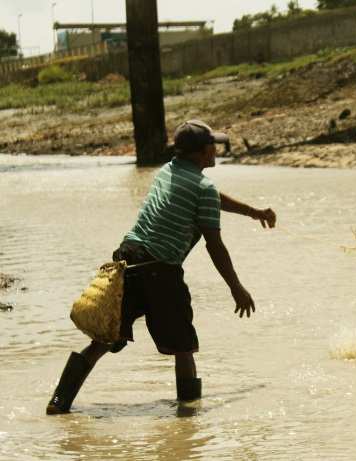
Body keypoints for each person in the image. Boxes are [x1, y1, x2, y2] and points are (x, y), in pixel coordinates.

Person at [46, 120, 276, 415]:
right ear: (204, 151)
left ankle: (58, 403)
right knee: (184, 346)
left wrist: (252, 212)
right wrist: (236, 288)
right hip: (161, 269)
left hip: (127, 259)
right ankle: (188, 420)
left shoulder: (168, 170)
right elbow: (214, 245)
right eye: (213, 145)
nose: (216, 150)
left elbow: (211, 198)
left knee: (104, 339)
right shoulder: (202, 187)